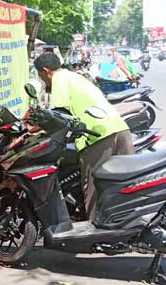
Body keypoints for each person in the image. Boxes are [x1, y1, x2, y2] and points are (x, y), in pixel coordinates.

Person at [33, 52, 134, 220]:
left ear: (46, 71)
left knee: (94, 186)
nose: (44, 81)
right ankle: (127, 225)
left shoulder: (59, 79)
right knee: (124, 184)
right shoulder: (76, 77)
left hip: (97, 135)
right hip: (119, 128)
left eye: (42, 77)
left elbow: (60, 115)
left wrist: (37, 129)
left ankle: (93, 232)